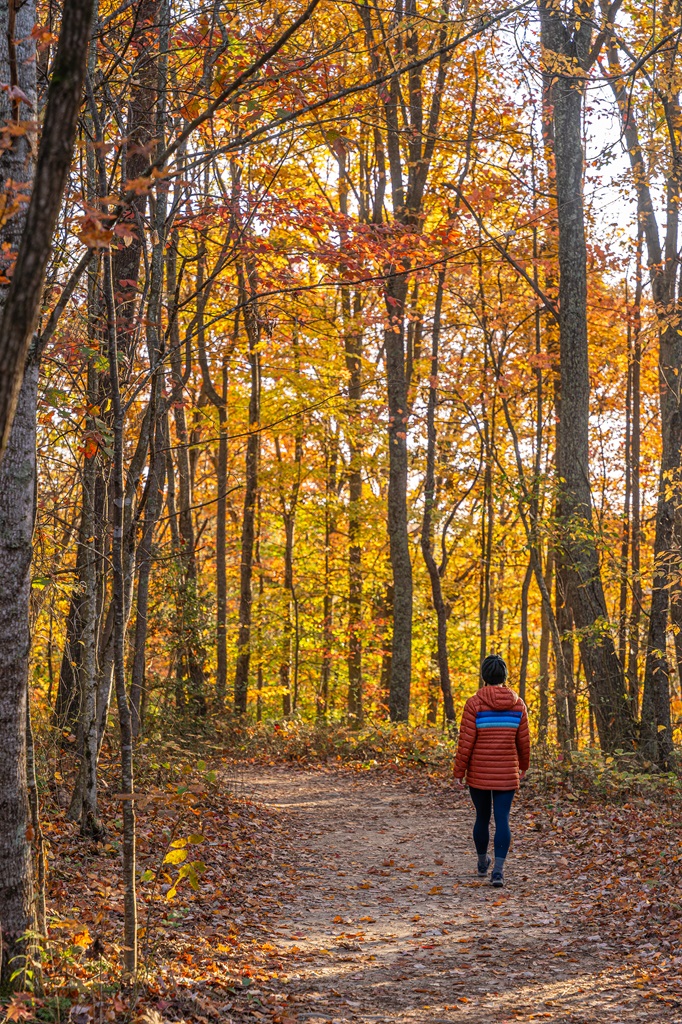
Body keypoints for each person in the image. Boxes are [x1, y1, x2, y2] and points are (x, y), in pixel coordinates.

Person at [453, 653, 530, 888]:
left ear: (484, 677)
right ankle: (498, 872)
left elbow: (466, 741)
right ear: (504, 677)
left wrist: (459, 771)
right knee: (503, 819)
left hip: (479, 773)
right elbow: (524, 742)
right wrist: (523, 767)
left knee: (482, 818)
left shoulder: (474, 703)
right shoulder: (518, 704)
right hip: (507, 773)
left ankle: (480, 864)